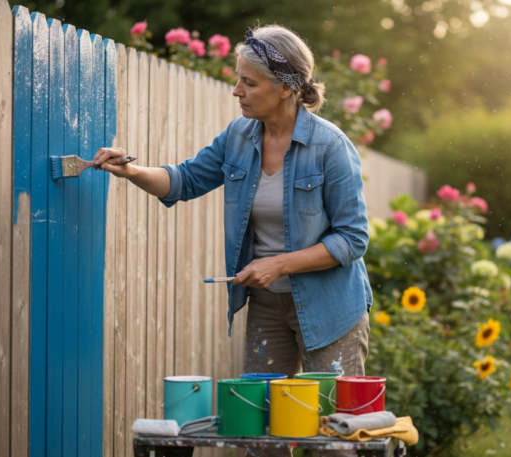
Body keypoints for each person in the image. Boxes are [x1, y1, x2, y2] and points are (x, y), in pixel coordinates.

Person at [94, 25, 371, 456]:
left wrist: (278, 264)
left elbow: (353, 240)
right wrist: (132, 171)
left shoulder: (330, 147)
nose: (236, 90)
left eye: (249, 82)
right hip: (267, 307)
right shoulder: (238, 138)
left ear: (285, 87)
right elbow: (183, 180)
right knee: (258, 434)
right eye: (238, 78)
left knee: (332, 438)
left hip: (330, 309)